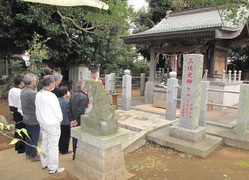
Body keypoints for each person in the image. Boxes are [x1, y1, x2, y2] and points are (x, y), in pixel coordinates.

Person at [35, 75, 64, 174]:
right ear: (51, 84)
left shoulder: (39, 94)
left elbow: (37, 110)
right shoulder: (51, 96)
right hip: (52, 124)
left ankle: (45, 162)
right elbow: (58, 112)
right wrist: (59, 120)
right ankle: (53, 168)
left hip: (43, 123)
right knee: (53, 146)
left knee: (45, 142)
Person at [20, 73, 40, 161]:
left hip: (27, 117)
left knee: (28, 137)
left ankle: (28, 153)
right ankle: (34, 155)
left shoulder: (23, 90)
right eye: (35, 80)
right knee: (34, 138)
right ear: (32, 82)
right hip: (33, 118)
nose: (35, 82)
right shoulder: (31, 93)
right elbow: (38, 105)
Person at [68, 80, 88, 160]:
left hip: (73, 121)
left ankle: (74, 154)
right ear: (83, 87)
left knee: (75, 138)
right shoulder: (84, 97)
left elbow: (69, 109)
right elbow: (81, 110)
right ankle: (79, 155)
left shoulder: (73, 95)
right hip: (79, 121)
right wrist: (76, 120)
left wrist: (71, 120)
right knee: (81, 138)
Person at [8, 75, 25, 154]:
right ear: (21, 82)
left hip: (14, 112)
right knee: (22, 131)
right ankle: (21, 149)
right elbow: (21, 105)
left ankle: (17, 147)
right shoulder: (20, 92)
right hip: (20, 113)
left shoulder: (11, 90)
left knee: (17, 129)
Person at [58, 87, 71, 154]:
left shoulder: (57, 100)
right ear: (65, 93)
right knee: (66, 137)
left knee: (60, 136)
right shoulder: (67, 102)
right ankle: (64, 150)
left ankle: (60, 148)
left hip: (58, 122)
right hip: (66, 121)